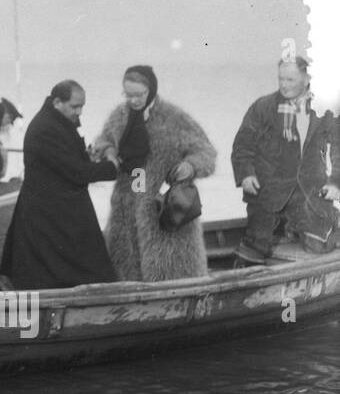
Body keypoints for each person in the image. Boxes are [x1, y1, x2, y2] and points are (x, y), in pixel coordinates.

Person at [91, 65, 217, 282]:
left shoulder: (174, 118)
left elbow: (206, 152)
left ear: (151, 90)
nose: (133, 101)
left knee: (170, 267)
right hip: (126, 207)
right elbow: (103, 141)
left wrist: (190, 166)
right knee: (126, 265)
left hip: (164, 208)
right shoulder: (119, 116)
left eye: (139, 95)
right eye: (128, 95)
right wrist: (109, 151)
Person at [0, 80, 117, 288]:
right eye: (75, 106)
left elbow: (68, 159)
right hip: (50, 211)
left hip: (56, 206)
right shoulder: (46, 128)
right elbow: (76, 172)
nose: (79, 112)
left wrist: (87, 156)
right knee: (63, 270)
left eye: (82, 106)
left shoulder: (56, 120)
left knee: (58, 269)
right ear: (57, 102)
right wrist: (112, 168)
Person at [230, 57, 340, 262]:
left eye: (290, 80)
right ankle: (283, 229)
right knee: (254, 251)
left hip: (308, 193)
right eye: (281, 79)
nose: (283, 85)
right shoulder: (263, 107)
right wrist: (246, 174)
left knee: (318, 247)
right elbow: (242, 146)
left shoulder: (324, 108)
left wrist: (335, 183)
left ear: (307, 79)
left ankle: (327, 224)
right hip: (267, 192)